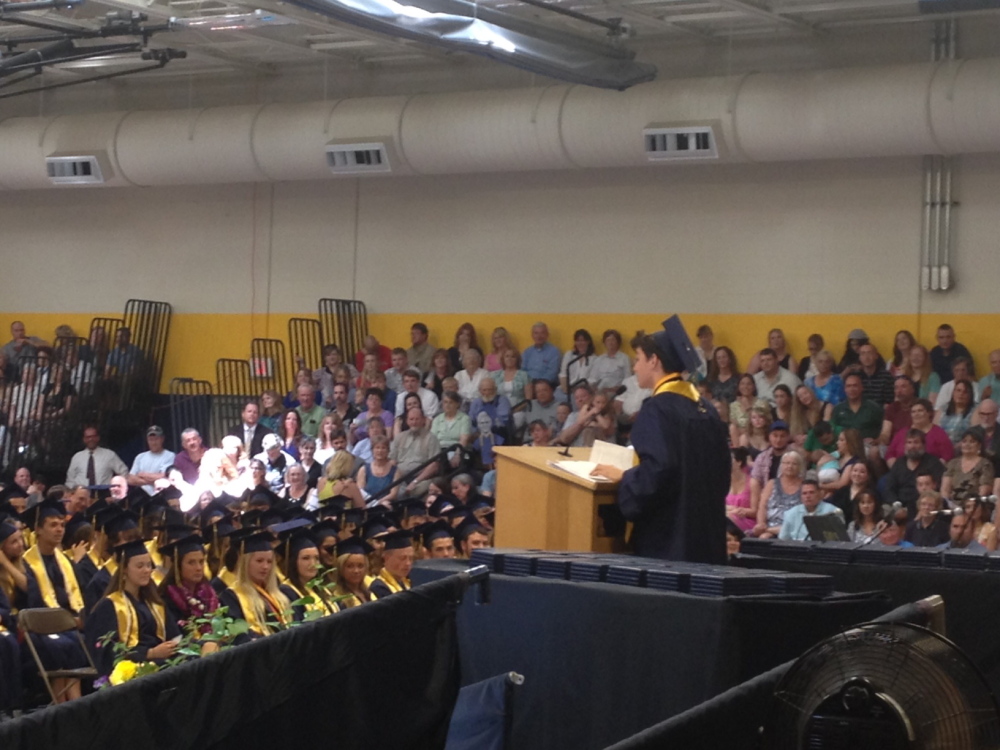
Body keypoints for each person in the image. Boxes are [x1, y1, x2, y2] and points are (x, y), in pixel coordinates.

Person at [592, 317, 729, 563]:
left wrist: (625, 478)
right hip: (707, 537)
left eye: (637, 360)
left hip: (671, 541)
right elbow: (722, 474)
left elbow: (659, 470)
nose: (634, 368)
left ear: (654, 360)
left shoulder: (657, 409)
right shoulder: (706, 409)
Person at [84, 539, 185, 677]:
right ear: (124, 569)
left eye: (149, 565)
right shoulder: (110, 606)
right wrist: (150, 653)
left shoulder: (154, 603)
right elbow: (109, 652)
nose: (146, 570)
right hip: (133, 669)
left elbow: (174, 635)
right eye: (140, 566)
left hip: (162, 663)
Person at [21, 499, 89, 701]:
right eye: (53, 525)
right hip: (41, 629)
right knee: (60, 645)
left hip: (69, 626)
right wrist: (69, 621)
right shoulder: (27, 563)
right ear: (38, 530)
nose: (59, 530)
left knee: (80, 639)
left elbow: (80, 595)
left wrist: (79, 618)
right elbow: (34, 603)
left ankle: (74, 703)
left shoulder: (65, 561)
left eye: (62, 525)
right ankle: (65, 705)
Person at [218, 530, 292, 642]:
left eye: (269, 561)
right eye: (259, 561)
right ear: (245, 562)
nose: (265, 566)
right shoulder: (231, 597)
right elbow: (239, 635)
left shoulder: (282, 593)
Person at [158, 534, 221, 634]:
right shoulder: (167, 599)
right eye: (191, 563)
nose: (198, 568)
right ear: (178, 566)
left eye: (201, 562)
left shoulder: (209, 593)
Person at [279, 532, 340, 618]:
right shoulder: (287, 592)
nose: (313, 563)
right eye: (306, 558)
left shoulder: (323, 589)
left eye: (316, 558)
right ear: (293, 561)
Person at [754, 451, 805, 538]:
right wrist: (761, 523)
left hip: (794, 527)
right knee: (764, 537)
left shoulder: (804, 485)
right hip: (771, 525)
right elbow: (762, 506)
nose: (790, 466)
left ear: (800, 467)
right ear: (781, 465)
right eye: (787, 463)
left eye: (794, 464)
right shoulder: (772, 483)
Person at [886, 400, 954, 465]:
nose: (916, 414)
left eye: (920, 411)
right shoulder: (902, 433)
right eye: (913, 412)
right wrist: (897, 471)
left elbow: (947, 456)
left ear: (929, 413)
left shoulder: (939, 433)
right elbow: (890, 454)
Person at [940, 427, 994, 504]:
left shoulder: (985, 464)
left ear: (979, 445)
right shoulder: (953, 463)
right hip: (953, 506)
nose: (967, 445)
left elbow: (984, 491)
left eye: (972, 442)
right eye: (964, 441)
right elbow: (945, 490)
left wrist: (969, 506)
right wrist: (949, 504)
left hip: (975, 505)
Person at [777, 478, 843, 541]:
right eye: (804, 493)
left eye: (811, 492)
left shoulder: (833, 512)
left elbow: (839, 539)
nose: (808, 496)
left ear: (820, 494)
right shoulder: (791, 513)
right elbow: (783, 539)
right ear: (800, 496)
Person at [65, 425, 129, 488]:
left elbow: (124, 473)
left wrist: (116, 490)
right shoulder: (77, 457)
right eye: (88, 437)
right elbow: (70, 480)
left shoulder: (109, 455)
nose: (91, 439)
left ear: (98, 437)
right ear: (84, 439)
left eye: (93, 436)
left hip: (103, 494)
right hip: (81, 495)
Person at [830, 372, 884, 442]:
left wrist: (876, 441)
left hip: (867, 446)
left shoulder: (874, 408)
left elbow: (882, 430)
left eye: (855, 386)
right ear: (844, 389)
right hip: (844, 446)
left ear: (862, 387)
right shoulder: (838, 409)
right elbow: (832, 430)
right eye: (848, 386)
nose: (851, 389)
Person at [127, 425, 176, 495]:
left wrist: (142, 474)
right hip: (141, 498)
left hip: (161, 496)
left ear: (162, 439)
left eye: (156, 439)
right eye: (151, 440)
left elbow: (165, 476)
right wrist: (153, 479)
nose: (154, 443)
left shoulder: (170, 456)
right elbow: (130, 479)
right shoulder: (140, 457)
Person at [368, 530, 415, 598]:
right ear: (386, 558)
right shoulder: (379, 588)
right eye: (402, 558)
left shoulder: (408, 583)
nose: (408, 563)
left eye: (410, 558)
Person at [332, 536, 374, 608]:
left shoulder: (370, 592)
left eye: (360, 566)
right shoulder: (338, 599)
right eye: (349, 566)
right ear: (340, 568)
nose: (356, 571)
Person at [729, 374, 770, 445]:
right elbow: (734, 425)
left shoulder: (762, 403)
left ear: (754, 386)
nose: (745, 387)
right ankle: (737, 452)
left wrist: (748, 407)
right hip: (740, 436)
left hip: (758, 433)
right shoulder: (733, 405)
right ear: (738, 387)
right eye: (742, 384)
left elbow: (764, 423)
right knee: (733, 428)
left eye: (749, 384)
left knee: (744, 438)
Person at [357, 435, 399, 503]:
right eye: (377, 448)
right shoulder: (363, 469)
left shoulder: (395, 471)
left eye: (383, 448)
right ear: (372, 450)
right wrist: (375, 504)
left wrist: (380, 502)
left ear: (388, 450)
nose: (380, 451)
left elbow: (393, 494)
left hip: (387, 504)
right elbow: (361, 492)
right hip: (368, 505)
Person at [935, 378, 976, 447]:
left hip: (963, 448)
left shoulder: (975, 411)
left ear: (970, 395)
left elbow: (974, 435)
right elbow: (934, 431)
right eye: (958, 390)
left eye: (965, 392)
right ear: (953, 392)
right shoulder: (943, 408)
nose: (961, 394)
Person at [879, 376, 917, 446]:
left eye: (903, 387)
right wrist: (882, 439)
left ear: (912, 389)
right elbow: (885, 432)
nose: (899, 391)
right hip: (893, 445)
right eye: (896, 388)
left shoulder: (919, 406)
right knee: (874, 451)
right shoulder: (892, 408)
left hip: (913, 444)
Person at [725, 447, 756, 533]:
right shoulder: (723, 481)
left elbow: (755, 511)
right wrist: (732, 509)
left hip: (747, 520)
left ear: (739, 462)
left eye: (729, 460)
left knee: (728, 518)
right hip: (728, 515)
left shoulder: (752, 482)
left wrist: (741, 511)